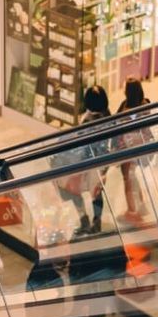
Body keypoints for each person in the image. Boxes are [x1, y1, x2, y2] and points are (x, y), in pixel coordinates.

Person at [56, 85, 112, 235]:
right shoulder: (108, 116)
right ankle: (96, 222)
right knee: (96, 193)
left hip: (86, 162)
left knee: (72, 189)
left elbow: (82, 143)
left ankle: (84, 220)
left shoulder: (88, 119)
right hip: (101, 163)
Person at [115, 78, 153, 224]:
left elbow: (116, 122)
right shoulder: (145, 104)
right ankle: (141, 205)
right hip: (139, 147)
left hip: (129, 148)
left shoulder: (130, 109)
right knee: (132, 176)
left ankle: (132, 211)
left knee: (127, 179)